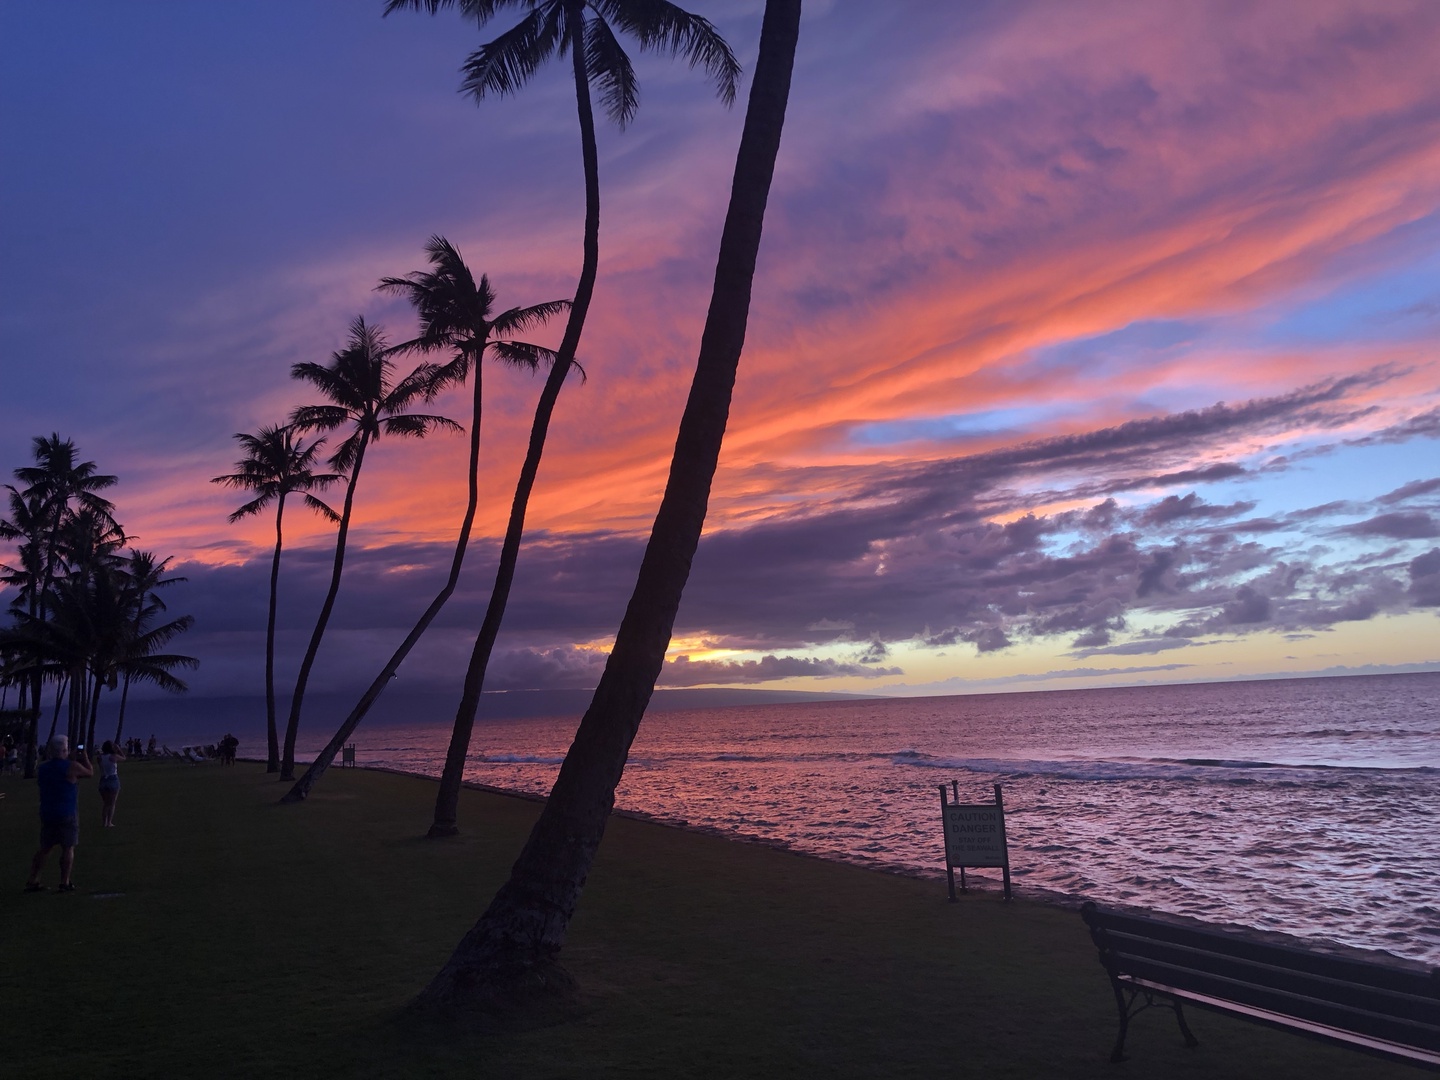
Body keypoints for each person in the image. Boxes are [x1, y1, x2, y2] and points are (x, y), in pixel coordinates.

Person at [25, 735, 91, 893]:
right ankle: (64, 882)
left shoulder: (43, 768)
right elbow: (90, 773)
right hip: (66, 812)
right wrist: (85, 757)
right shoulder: (71, 766)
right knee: (68, 847)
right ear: (64, 750)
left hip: (48, 811)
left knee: (45, 848)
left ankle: (33, 879)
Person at [96, 739, 126, 826]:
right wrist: (119, 750)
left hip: (103, 779)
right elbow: (124, 758)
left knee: (106, 804)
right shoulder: (113, 757)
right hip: (113, 779)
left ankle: (104, 822)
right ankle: (109, 822)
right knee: (112, 803)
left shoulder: (99, 757)